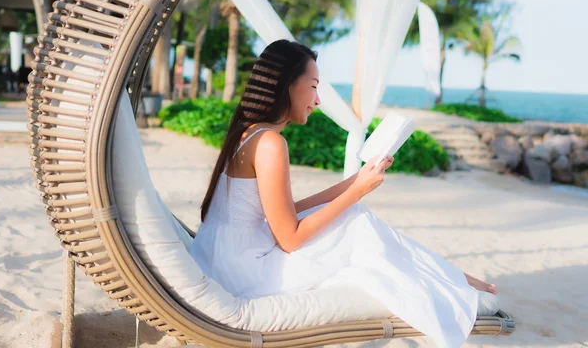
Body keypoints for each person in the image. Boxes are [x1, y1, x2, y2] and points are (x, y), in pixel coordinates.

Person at [189, 40, 497, 348]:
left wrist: (356, 183)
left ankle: (452, 279)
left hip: (223, 260)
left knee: (355, 219)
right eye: (313, 86)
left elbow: (284, 211)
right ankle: (455, 282)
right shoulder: (270, 143)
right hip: (243, 274)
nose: (318, 99)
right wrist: (358, 192)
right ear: (287, 85)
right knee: (356, 221)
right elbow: (290, 238)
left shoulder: (249, 133)